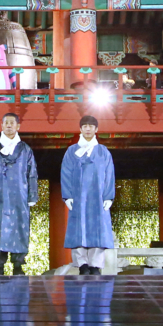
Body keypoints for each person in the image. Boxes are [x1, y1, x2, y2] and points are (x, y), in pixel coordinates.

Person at [0, 112, 38, 275]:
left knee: (20, 228)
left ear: (18, 126)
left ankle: (18, 264)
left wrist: (32, 195)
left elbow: (32, 173)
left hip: (19, 196)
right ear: (1, 125)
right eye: (6, 122)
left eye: (12, 123)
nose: (9, 125)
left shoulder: (26, 149)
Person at [61, 115, 117, 275]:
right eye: (84, 126)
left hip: (98, 197)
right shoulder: (71, 151)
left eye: (91, 126)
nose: (87, 129)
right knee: (79, 229)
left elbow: (109, 174)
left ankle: (95, 264)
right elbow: (65, 173)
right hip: (78, 196)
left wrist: (108, 196)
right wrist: (68, 195)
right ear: (80, 129)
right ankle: (82, 264)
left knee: (97, 229)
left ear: (96, 129)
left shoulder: (103, 151)